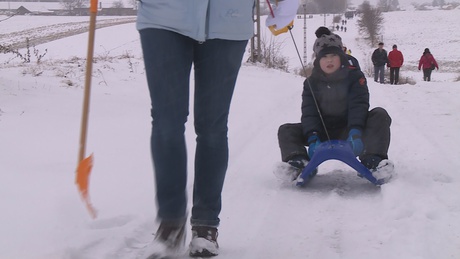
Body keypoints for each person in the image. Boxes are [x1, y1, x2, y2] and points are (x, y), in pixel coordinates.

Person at [136, 2, 254, 258]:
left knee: (212, 127)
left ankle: (205, 225)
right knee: (167, 122)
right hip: (162, 15)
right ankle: (170, 223)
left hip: (228, 18)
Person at [276, 32, 393, 182]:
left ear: (341, 57)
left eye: (333, 56)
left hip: (350, 131)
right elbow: (309, 112)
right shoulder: (311, 83)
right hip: (322, 132)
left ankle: (373, 161)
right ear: (318, 60)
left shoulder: (355, 77)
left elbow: (359, 105)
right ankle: (298, 164)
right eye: (324, 57)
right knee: (286, 129)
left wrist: (356, 132)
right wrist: (312, 137)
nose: (329, 60)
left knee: (379, 115)